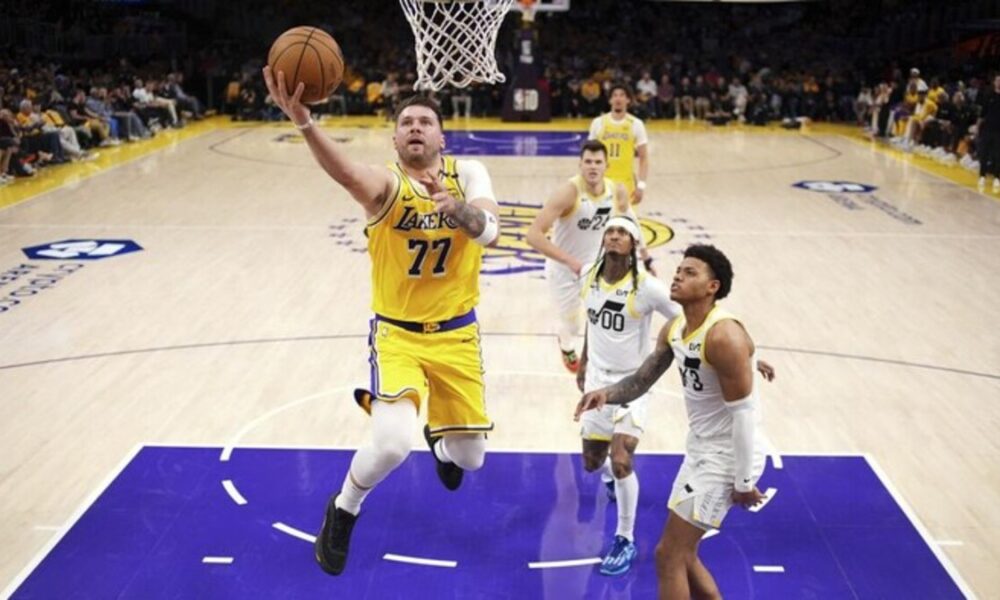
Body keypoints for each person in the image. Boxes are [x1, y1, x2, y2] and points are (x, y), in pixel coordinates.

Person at [262, 66, 501, 576]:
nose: (416, 128)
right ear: (394, 139)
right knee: (392, 444)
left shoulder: (468, 174)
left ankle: (442, 440)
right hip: (398, 336)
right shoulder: (386, 185)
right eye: (406, 123)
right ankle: (344, 508)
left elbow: (490, 232)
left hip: (457, 334)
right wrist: (304, 122)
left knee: (471, 458)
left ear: (442, 137)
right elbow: (348, 174)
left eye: (425, 122)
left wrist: (456, 209)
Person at [575, 244, 773, 598]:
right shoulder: (675, 328)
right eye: (679, 270)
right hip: (700, 449)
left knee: (668, 555)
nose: (678, 276)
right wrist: (605, 393)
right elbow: (642, 380)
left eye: (690, 272)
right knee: (685, 555)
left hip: (728, 457)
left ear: (712, 287)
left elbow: (744, 417)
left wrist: (743, 481)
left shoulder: (723, 336)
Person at [575, 215, 680, 575]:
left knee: (621, 459)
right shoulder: (588, 275)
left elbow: (687, 317)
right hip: (597, 381)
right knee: (593, 462)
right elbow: (592, 320)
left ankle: (624, 539)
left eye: (622, 232)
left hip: (633, 384)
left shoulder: (648, 288)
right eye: (610, 231)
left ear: (634, 243)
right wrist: (585, 361)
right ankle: (612, 479)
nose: (615, 236)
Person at [526, 140, 653, 373]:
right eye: (588, 162)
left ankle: (602, 358)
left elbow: (631, 221)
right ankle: (565, 345)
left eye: (597, 162)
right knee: (572, 326)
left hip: (598, 268)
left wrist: (646, 257)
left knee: (605, 315)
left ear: (606, 165)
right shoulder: (568, 193)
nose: (593, 166)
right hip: (564, 270)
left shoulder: (616, 190)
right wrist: (570, 261)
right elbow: (533, 235)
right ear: (580, 164)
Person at [588, 83, 650, 204]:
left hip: (626, 184)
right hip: (601, 182)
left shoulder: (636, 124)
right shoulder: (598, 123)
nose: (618, 98)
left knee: (624, 216)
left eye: (622, 95)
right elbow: (589, 155)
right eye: (615, 95)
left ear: (628, 100)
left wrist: (641, 185)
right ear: (610, 100)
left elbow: (644, 158)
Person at [977, 74, 1000, 194]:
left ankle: (997, 177)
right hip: (987, 129)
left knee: (997, 155)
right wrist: (977, 128)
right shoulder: (989, 96)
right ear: (994, 82)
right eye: (998, 80)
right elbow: (982, 114)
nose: (999, 82)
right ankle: (982, 176)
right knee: (984, 153)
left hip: (998, 131)